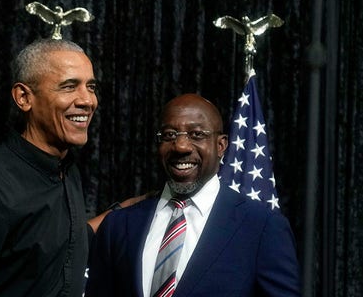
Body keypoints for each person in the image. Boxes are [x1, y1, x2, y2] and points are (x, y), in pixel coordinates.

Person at [0, 38, 143, 296]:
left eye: (90, 87)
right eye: (69, 86)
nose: (87, 100)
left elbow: (58, 242)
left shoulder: (65, 169)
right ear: (24, 97)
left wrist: (125, 211)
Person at [85, 93, 301, 296]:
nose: (180, 146)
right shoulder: (118, 226)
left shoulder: (262, 227)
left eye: (196, 134)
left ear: (221, 145)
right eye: (169, 135)